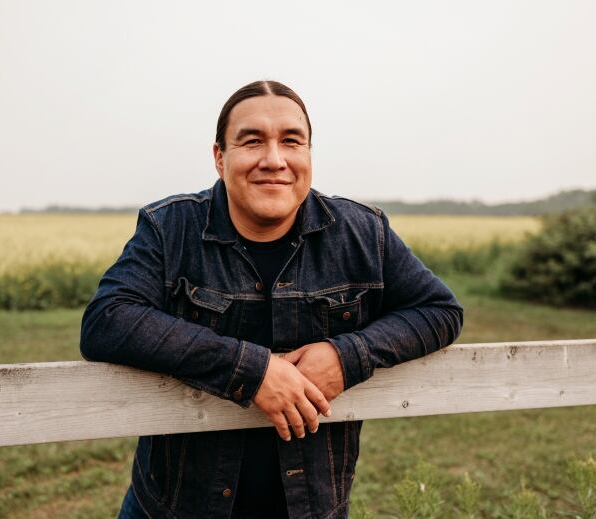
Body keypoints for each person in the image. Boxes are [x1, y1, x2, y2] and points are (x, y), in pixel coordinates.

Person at [80, 80, 463, 519]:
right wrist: (253, 371)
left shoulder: (363, 233)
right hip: (174, 508)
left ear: (308, 155)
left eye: (291, 142)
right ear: (220, 158)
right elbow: (107, 320)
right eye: (252, 141)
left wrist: (346, 356)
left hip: (310, 508)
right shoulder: (170, 228)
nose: (274, 160)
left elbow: (440, 311)